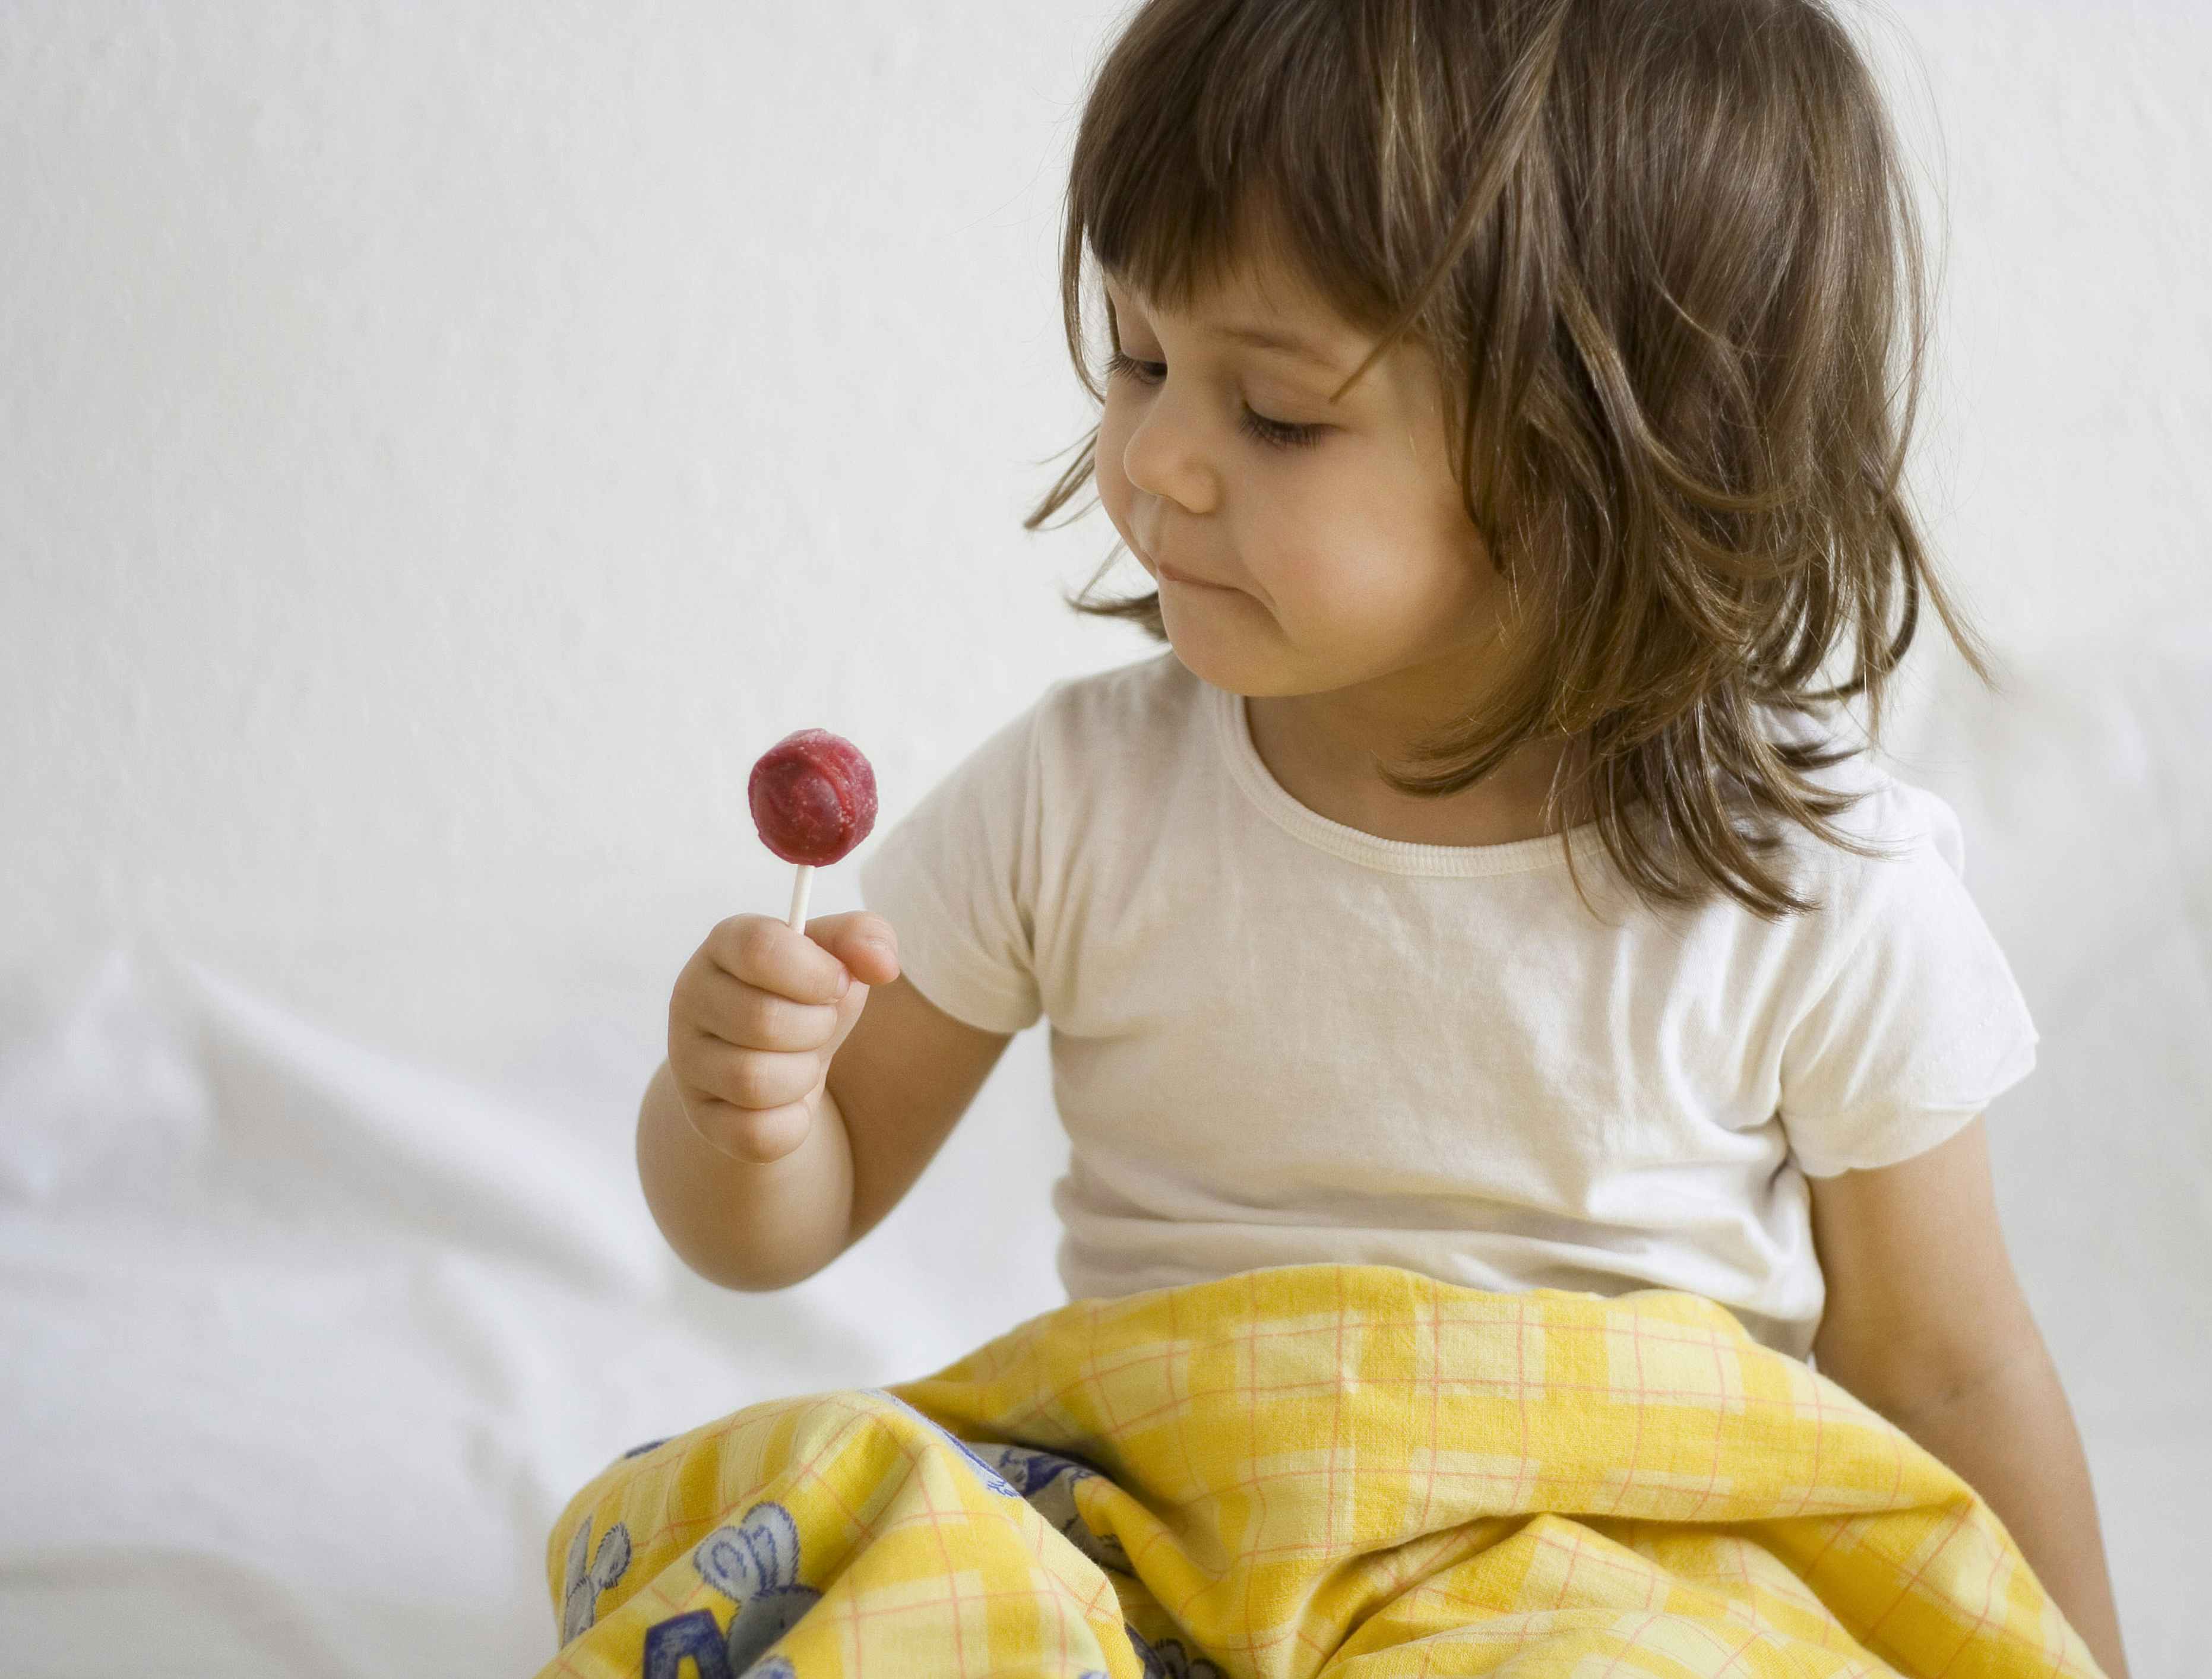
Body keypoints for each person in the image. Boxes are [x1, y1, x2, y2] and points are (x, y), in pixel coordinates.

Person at [635, 1, 2128, 1672]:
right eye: (1136, 355)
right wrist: (743, 1113)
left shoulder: (1809, 880)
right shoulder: (1078, 795)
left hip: (1596, 1567)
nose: (1154, 457)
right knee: (829, 1576)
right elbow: (771, 1231)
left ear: (1604, 455)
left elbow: (1942, 1369)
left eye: (1275, 414)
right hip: (1155, 1526)